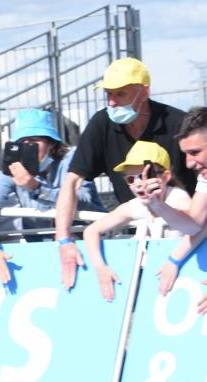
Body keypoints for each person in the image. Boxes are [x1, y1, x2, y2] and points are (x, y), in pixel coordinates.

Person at [55, 58, 193, 290]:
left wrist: (177, 254)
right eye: (108, 93)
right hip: (141, 230)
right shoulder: (102, 122)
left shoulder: (179, 123)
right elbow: (72, 181)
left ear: (144, 92)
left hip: (190, 231)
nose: (112, 102)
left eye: (121, 94)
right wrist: (64, 240)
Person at [0, 109, 102, 285]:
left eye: (34, 141)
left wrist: (36, 188)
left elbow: (82, 200)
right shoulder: (15, 169)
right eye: (23, 142)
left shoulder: (73, 159)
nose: (27, 147)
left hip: (87, 248)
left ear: (52, 144)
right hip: (41, 253)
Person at [83, 141, 200, 302]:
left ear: (166, 177)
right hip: (159, 275)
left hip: (188, 270)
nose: (139, 183)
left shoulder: (178, 197)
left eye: (145, 176)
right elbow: (91, 231)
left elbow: (197, 227)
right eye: (131, 178)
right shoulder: (137, 205)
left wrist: (174, 260)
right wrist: (100, 268)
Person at [154, 108, 207, 310]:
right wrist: (156, 204)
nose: (188, 163)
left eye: (195, 152)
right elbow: (195, 224)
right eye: (185, 154)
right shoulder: (206, 176)